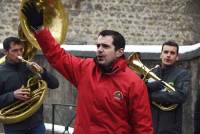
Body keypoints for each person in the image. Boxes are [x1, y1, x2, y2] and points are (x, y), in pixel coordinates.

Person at [21, 2, 154, 134]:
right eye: (98, 46)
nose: (100, 50)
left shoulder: (134, 83)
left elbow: (143, 127)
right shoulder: (85, 68)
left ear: (119, 52)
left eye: (106, 46)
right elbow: (57, 56)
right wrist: (39, 29)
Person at [0, 36, 59, 134]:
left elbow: (55, 84)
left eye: (21, 50)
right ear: (5, 52)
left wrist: (42, 71)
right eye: (14, 51)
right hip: (14, 127)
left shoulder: (29, 67)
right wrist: (13, 95)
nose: (19, 54)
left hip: (36, 124)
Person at [146, 41, 190, 134]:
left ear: (177, 57)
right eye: (165, 52)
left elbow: (181, 95)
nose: (168, 55)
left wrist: (151, 95)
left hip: (171, 130)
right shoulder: (151, 73)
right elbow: (139, 93)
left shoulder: (182, 74)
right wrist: (147, 88)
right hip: (149, 128)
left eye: (172, 53)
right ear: (161, 55)